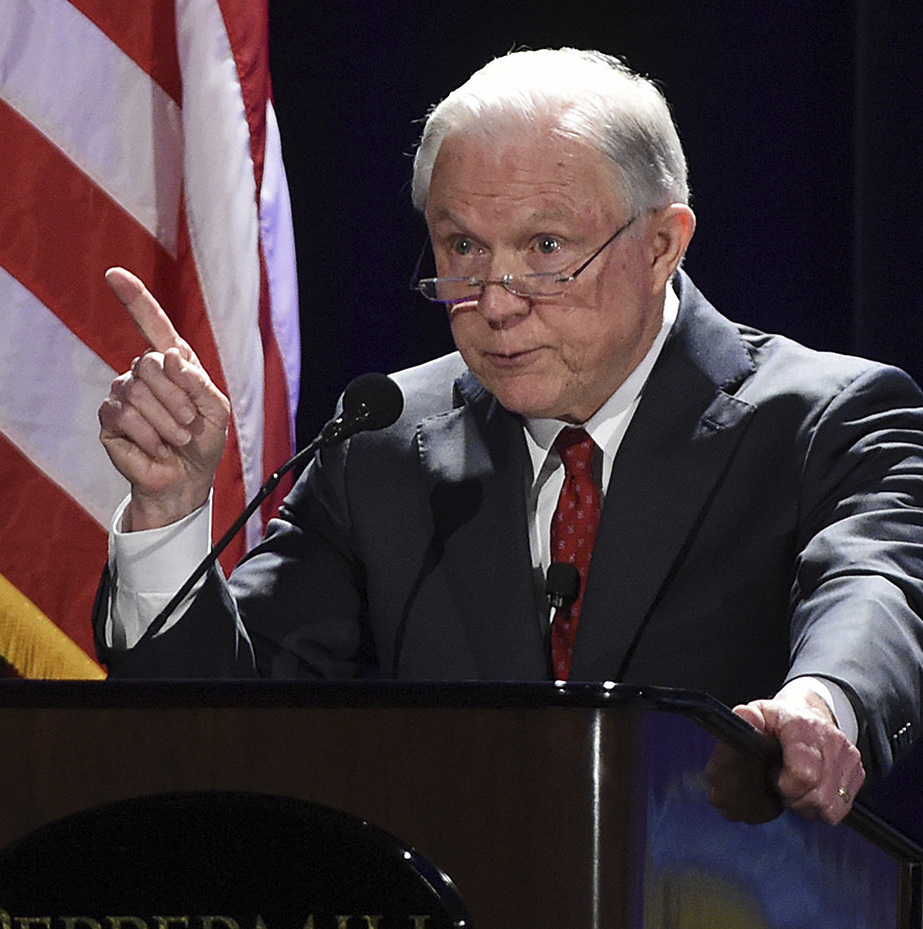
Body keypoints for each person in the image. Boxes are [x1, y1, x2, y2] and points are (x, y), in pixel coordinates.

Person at [95, 48, 923, 826]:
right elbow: (213, 721)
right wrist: (169, 510)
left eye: (545, 248)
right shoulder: (380, 444)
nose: (494, 301)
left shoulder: (824, 419)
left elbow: (875, 588)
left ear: (663, 242)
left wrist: (820, 702)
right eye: (462, 247)